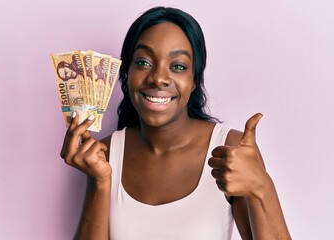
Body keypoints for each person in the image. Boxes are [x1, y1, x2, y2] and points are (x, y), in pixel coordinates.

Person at [60, 6, 291, 240]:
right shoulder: (106, 153)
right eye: (143, 62)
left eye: (178, 66)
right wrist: (99, 181)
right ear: (126, 74)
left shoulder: (231, 149)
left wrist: (261, 189)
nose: (159, 78)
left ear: (194, 81)